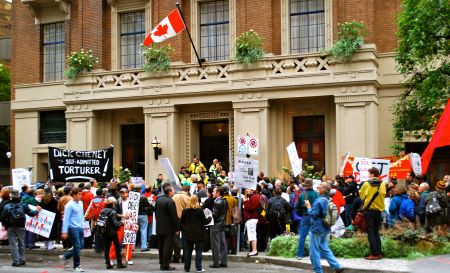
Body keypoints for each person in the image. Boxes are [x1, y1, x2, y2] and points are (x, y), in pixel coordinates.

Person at [304, 183, 344, 273]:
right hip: (326, 227)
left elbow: (314, 215)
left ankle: (318, 270)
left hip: (316, 228)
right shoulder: (329, 199)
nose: (317, 188)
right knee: (324, 248)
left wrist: (309, 207)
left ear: (323, 190)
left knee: (314, 251)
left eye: (319, 187)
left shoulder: (319, 201)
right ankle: (336, 266)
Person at [0, 190, 41, 266]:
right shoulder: (23, 205)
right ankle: (22, 259)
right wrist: (37, 210)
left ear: (11, 197)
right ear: (19, 196)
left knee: (13, 244)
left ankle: (16, 261)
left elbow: (2, 218)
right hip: (21, 226)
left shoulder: (7, 206)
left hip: (10, 227)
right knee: (21, 243)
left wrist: (6, 226)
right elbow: (31, 214)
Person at [359, 167, 387, 260]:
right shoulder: (382, 183)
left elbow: (361, 195)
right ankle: (379, 252)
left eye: (369, 174)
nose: (368, 175)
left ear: (372, 174)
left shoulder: (367, 184)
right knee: (376, 232)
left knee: (371, 232)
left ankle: (374, 254)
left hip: (369, 210)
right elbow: (383, 194)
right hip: (378, 210)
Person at [181, 195, 211, 272]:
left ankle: (186, 268)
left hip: (188, 233)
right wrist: (210, 218)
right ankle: (199, 268)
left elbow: (182, 222)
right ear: (197, 201)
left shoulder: (185, 210)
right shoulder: (199, 210)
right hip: (199, 233)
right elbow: (205, 222)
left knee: (188, 251)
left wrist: (184, 230)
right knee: (198, 251)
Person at [60, 188, 86, 272]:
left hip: (80, 227)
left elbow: (81, 215)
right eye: (78, 194)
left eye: (81, 194)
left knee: (80, 246)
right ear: (74, 195)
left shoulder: (81, 203)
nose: (80, 196)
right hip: (72, 227)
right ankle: (76, 266)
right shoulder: (69, 205)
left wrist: (83, 225)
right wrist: (64, 231)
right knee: (77, 246)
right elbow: (66, 218)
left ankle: (66, 256)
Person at [156, 185, 180, 271]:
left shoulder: (158, 199)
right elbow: (174, 217)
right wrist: (177, 229)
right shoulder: (171, 202)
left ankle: (162, 263)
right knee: (168, 248)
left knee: (161, 247)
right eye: (173, 191)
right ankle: (165, 265)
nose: (174, 192)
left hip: (159, 227)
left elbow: (156, 213)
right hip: (168, 229)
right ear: (169, 192)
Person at [295, 178, 318, 259]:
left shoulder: (301, 195)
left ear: (305, 185)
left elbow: (296, 207)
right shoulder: (316, 194)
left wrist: (301, 214)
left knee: (302, 236)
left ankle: (299, 254)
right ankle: (315, 254)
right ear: (312, 185)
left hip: (305, 217)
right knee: (315, 236)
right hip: (314, 217)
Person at [109, 188, 133, 265]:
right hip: (120, 224)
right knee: (116, 241)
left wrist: (135, 224)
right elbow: (113, 213)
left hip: (130, 224)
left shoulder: (132, 201)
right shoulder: (117, 201)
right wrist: (123, 216)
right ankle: (111, 258)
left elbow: (135, 214)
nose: (122, 194)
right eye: (121, 193)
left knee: (129, 242)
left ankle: (128, 258)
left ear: (127, 193)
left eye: (124, 193)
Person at [101, 197, 127, 269]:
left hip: (104, 232)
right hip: (112, 232)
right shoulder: (113, 212)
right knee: (117, 247)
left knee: (106, 248)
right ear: (112, 204)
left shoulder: (103, 210)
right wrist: (122, 222)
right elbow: (115, 223)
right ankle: (119, 263)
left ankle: (108, 263)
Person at [209, 186, 228, 268]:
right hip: (222, 224)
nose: (212, 193)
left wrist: (209, 214)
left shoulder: (217, 202)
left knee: (215, 245)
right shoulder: (224, 201)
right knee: (223, 244)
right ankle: (224, 262)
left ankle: (216, 263)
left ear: (218, 193)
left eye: (213, 191)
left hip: (216, 225)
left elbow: (215, 215)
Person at [172, 184, 190, 263]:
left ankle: (176, 256)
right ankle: (185, 257)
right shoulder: (187, 198)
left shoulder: (174, 196)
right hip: (185, 220)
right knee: (185, 239)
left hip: (175, 219)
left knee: (175, 238)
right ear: (187, 190)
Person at [243, 188, 259, 257]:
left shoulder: (254, 197)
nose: (248, 191)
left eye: (249, 190)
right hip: (250, 219)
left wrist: (245, 202)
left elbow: (252, 208)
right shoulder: (251, 197)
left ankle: (254, 250)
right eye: (247, 190)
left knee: (252, 234)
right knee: (251, 234)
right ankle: (254, 250)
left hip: (252, 219)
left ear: (253, 190)